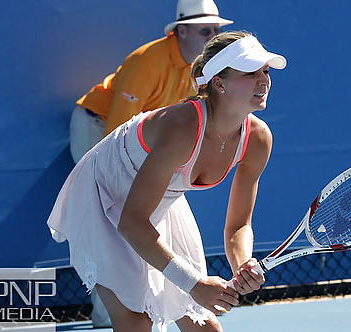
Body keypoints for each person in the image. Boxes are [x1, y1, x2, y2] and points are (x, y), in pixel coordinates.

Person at [48, 31, 286, 332]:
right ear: (218, 83)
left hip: (157, 199)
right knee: (136, 325)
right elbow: (132, 222)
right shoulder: (181, 128)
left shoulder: (258, 139)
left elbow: (238, 226)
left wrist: (242, 264)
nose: (263, 80)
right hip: (104, 195)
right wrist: (195, 284)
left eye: (265, 71)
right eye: (250, 73)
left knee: (205, 327)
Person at [69, 0, 233, 163]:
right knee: (102, 184)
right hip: (98, 124)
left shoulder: (201, 67)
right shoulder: (146, 62)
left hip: (136, 133)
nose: (213, 37)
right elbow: (118, 125)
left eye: (216, 31)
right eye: (205, 31)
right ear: (182, 31)